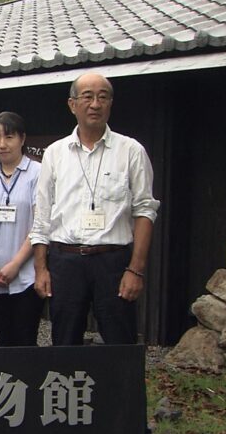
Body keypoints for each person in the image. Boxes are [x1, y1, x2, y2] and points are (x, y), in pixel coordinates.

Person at [29, 73, 160, 346]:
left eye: (103, 97)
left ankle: (120, 390)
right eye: (87, 96)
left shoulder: (131, 150)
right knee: (64, 344)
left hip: (113, 262)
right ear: (72, 104)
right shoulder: (55, 153)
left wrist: (135, 270)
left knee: (120, 344)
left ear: (110, 104)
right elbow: (42, 215)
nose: (95, 104)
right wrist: (41, 269)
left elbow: (145, 211)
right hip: (65, 261)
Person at [0, 112, 43, 346]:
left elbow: (39, 224)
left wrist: (16, 264)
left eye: (9, 137)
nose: (2, 145)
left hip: (26, 275)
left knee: (25, 340)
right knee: (3, 341)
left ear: (22, 139)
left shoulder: (37, 173)